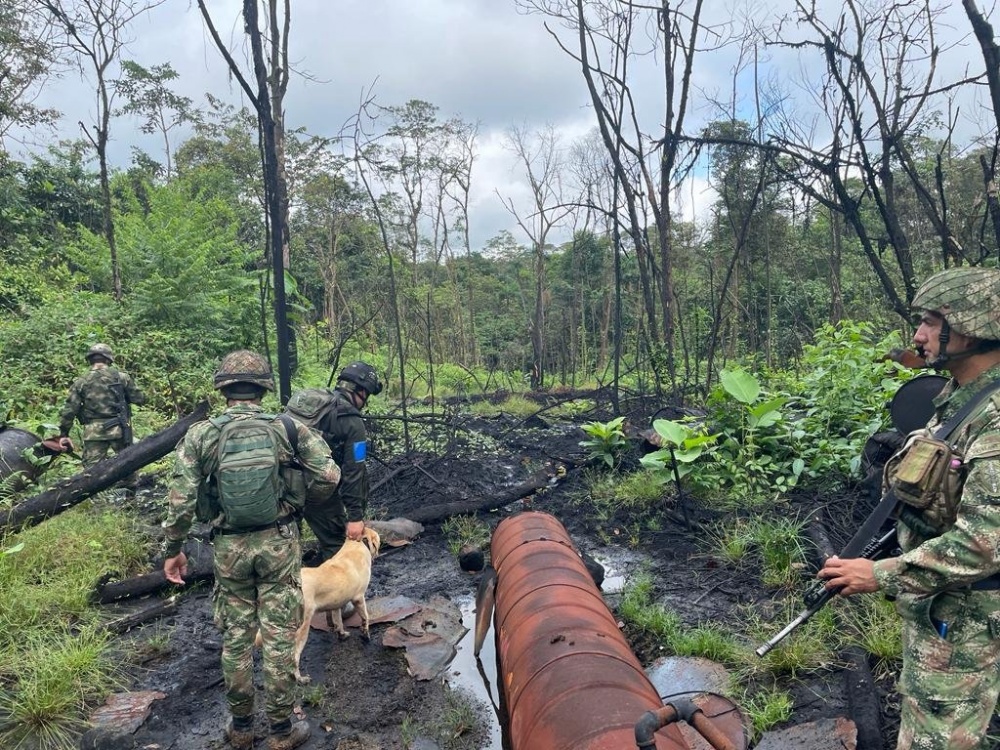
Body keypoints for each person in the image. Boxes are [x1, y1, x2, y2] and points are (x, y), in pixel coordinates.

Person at [818, 266, 1000, 750]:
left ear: (969, 327)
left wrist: (881, 574)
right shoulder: (960, 398)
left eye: (930, 322)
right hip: (946, 610)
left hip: (967, 622)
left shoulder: (995, 417)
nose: (918, 335)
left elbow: (985, 544)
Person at [161, 350, 341, 750]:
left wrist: (174, 548)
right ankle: (281, 731)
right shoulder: (288, 428)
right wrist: (299, 504)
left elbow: (181, 498)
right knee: (279, 636)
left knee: (237, 638)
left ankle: (241, 727)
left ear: (223, 388)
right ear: (263, 388)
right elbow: (329, 475)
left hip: (228, 547)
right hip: (278, 541)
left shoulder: (202, 434)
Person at [294, 361, 382, 563]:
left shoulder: (312, 404)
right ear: (361, 391)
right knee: (338, 547)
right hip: (314, 488)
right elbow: (354, 471)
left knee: (287, 546)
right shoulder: (352, 421)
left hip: (283, 485)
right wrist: (355, 518)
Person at [58, 343, 146, 492]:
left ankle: (95, 500)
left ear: (90, 359)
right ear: (108, 359)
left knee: (91, 472)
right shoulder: (121, 377)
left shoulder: (81, 381)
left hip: (94, 432)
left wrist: (63, 433)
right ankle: (131, 498)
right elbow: (140, 399)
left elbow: (69, 410)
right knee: (128, 463)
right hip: (120, 429)